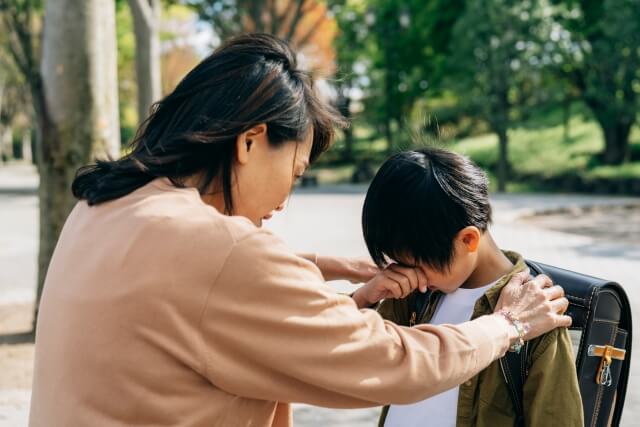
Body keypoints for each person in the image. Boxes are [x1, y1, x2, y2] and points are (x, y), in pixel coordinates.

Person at [29, 34, 570, 427]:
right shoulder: (219, 249)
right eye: (294, 171)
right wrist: (508, 327)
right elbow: (395, 364)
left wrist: (333, 279)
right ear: (250, 142)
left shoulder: (106, 205)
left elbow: (188, 301)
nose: (285, 200)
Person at [353, 147, 582, 427]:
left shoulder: (535, 311)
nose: (408, 275)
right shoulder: (413, 295)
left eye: (417, 264)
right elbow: (347, 363)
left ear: (468, 240)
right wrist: (362, 299)